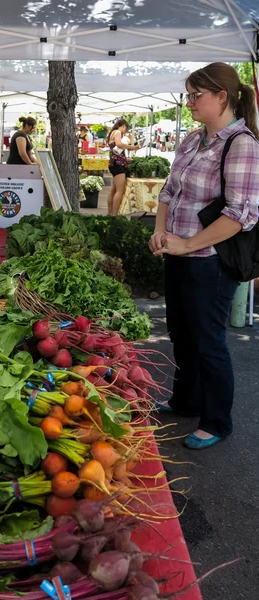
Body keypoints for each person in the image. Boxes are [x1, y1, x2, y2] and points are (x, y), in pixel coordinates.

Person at [149, 62, 259, 450]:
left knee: (208, 339)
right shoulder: (192, 140)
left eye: (196, 95)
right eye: (189, 95)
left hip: (210, 261)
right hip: (179, 253)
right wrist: (161, 232)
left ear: (222, 96)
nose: (190, 102)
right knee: (181, 332)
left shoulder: (241, 143)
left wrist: (187, 243)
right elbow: (167, 192)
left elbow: (240, 215)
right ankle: (186, 400)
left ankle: (216, 421)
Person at [106, 119, 139, 215]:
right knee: (120, 191)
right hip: (118, 165)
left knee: (113, 190)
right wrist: (132, 147)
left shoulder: (112, 132)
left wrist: (126, 159)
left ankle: (110, 213)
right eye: (126, 129)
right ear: (123, 126)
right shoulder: (118, 132)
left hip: (113, 164)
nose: (125, 131)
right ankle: (114, 215)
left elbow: (115, 151)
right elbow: (119, 144)